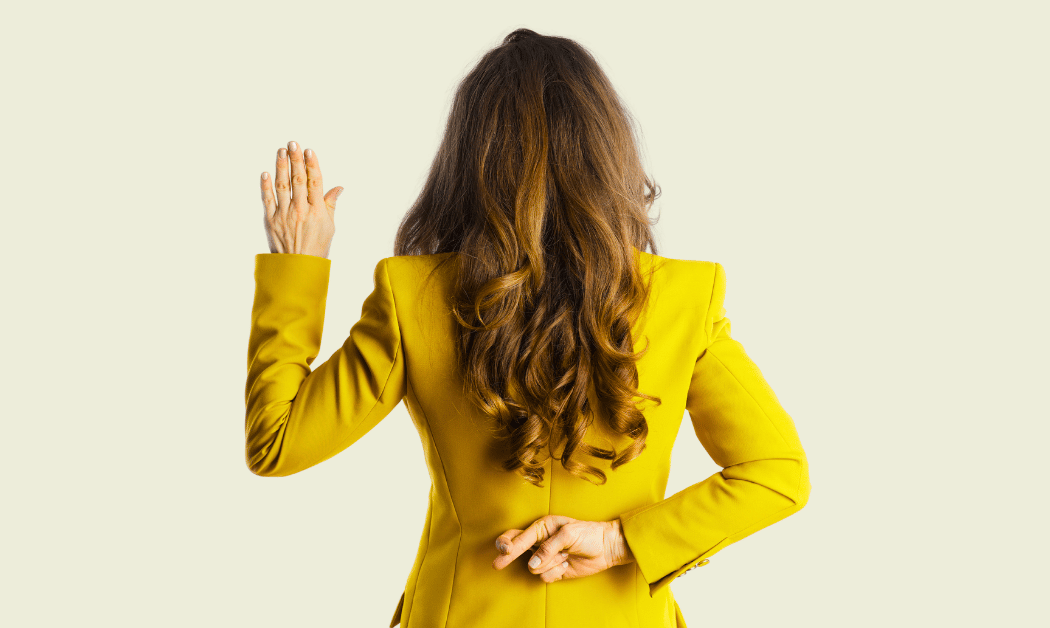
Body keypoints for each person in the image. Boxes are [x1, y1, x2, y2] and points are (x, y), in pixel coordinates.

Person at [244, 27, 811, 628]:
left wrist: (299, 263)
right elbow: (778, 471)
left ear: (469, 160)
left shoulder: (415, 296)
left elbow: (277, 442)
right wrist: (621, 541)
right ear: (609, 154)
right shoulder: (683, 297)